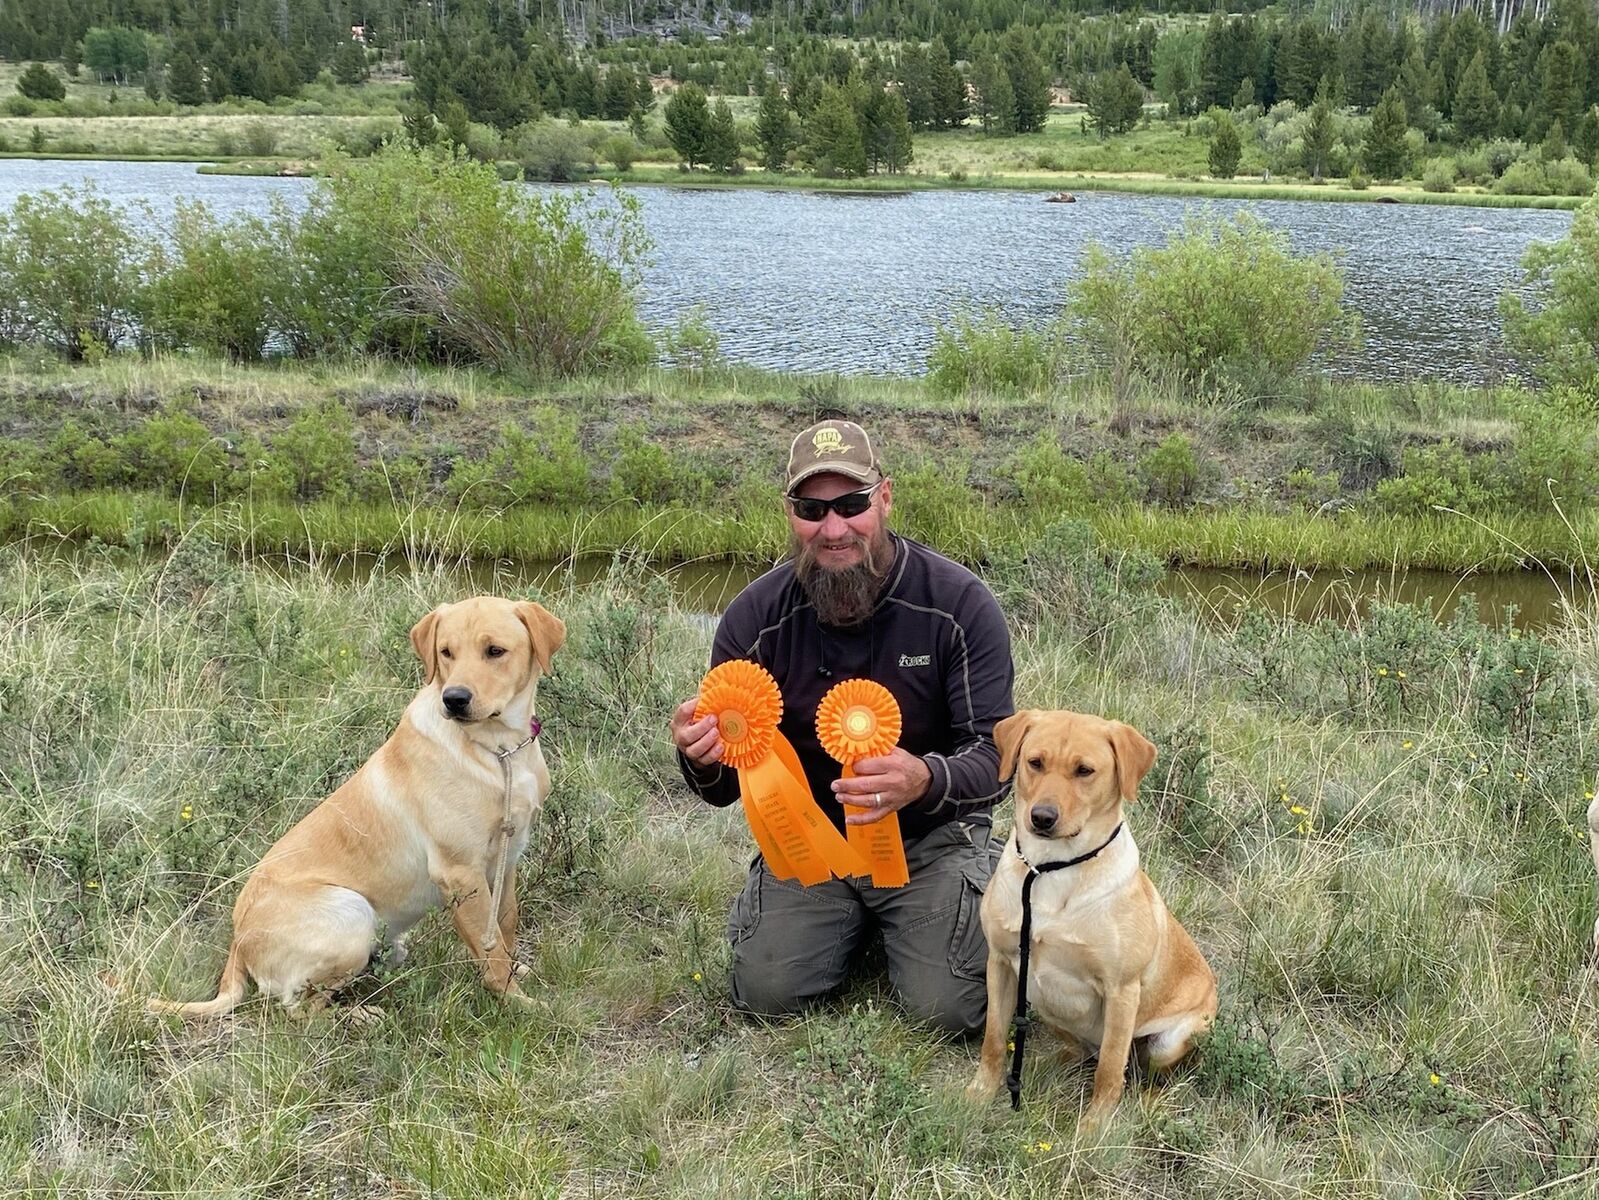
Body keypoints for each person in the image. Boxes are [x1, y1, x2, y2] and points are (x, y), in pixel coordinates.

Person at [670, 418, 1015, 1033]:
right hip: (808, 845)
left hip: (928, 841)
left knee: (951, 1010)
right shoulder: (752, 620)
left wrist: (926, 779)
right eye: (812, 509)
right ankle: (837, 923)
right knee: (765, 993)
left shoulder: (959, 604)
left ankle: (948, 896)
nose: (833, 529)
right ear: (790, 513)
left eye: (852, 504)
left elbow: (997, 758)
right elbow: (723, 791)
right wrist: (700, 757)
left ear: (884, 498)